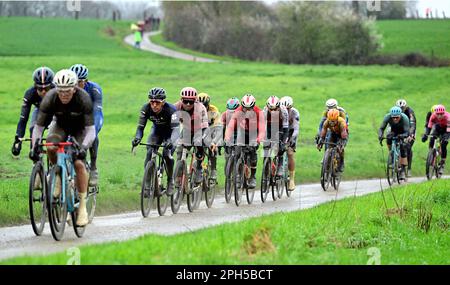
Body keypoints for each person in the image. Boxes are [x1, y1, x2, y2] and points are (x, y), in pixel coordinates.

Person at [30, 69, 95, 227]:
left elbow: (91, 130)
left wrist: (84, 146)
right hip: (60, 126)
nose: (64, 94)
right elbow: (38, 127)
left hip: (80, 129)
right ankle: (57, 176)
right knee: (51, 147)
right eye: (61, 91)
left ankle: (82, 208)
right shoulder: (51, 97)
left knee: (79, 163)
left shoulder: (83, 98)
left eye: (67, 91)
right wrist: (35, 146)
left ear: (74, 88)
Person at [131, 87, 179, 195]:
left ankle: (170, 180)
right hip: (156, 132)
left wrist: (171, 141)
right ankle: (147, 185)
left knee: (167, 154)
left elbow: (176, 130)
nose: (154, 105)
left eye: (157, 102)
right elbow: (140, 128)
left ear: (163, 102)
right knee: (149, 151)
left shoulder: (172, 110)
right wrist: (137, 138)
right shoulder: (145, 108)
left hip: (171, 133)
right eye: (151, 102)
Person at [70, 64, 103, 186]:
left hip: (91, 117)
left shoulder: (94, 90)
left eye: (79, 82)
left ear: (86, 81)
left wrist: (93, 130)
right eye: (73, 82)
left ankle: (93, 168)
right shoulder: (67, 89)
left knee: (92, 135)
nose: (76, 85)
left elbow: (97, 113)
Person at [224, 94, 265, 189]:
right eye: (244, 108)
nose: (246, 110)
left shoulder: (259, 112)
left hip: (254, 133)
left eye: (249, 108)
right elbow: (230, 126)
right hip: (242, 132)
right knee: (237, 151)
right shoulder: (238, 111)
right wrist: (227, 138)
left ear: (253, 106)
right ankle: (238, 174)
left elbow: (262, 129)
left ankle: (253, 176)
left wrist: (258, 140)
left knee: (253, 153)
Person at [12, 67, 54, 156]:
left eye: (47, 88)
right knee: (33, 129)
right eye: (40, 88)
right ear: (35, 86)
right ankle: (36, 161)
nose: (43, 92)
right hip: (39, 111)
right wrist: (18, 140)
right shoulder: (30, 93)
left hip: (56, 112)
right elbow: (23, 119)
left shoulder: (58, 92)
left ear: (52, 86)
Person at [174, 87, 209, 185]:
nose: (188, 104)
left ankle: (198, 168)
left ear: (195, 100)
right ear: (181, 100)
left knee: (199, 144)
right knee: (180, 150)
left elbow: (205, 127)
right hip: (187, 130)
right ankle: (178, 174)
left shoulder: (201, 108)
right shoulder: (176, 106)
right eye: (185, 101)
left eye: (191, 101)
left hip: (199, 129)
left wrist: (202, 139)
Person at [378, 106, 410, 180]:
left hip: (403, 131)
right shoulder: (387, 117)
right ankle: (391, 152)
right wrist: (380, 136)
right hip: (393, 130)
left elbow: (407, 132)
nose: (395, 119)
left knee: (402, 146)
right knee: (388, 138)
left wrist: (402, 136)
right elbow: (381, 128)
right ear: (391, 116)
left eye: (397, 117)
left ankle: (402, 169)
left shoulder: (404, 118)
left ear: (400, 115)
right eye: (393, 117)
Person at [198, 92, 222, 180]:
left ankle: (213, 170)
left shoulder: (213, 110)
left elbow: (218, 124)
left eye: (204, 106)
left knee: (213, 147)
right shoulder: (195, 110)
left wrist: (214, 141)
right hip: (201, 129)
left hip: (212, 129)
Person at [263, 96, 289, 177]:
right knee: (266, 147)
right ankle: (266, 166)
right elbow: (262, 127)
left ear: (278, 107)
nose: (273, 111)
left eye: (275, 109)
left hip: (280, 127)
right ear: (267, 107)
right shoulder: (265, 111)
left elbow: (286, 129)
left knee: (280, 146)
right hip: (269, 126)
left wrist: (284, 142)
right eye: (271, 109)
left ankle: (280, 165)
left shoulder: (283, 111)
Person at [422, 105, 449, 175]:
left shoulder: (447, 117)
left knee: (444, 144)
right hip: (438, 127)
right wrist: (425, 135)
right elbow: (429, 126)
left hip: (447, 129)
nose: (439, 116)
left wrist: (446, 137)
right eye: (438, 114)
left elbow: (448, 130)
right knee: (432, 138)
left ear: (444, 113)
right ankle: (431, 154)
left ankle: (442, 162)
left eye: (441, 114)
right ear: (435, 113)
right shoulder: (433, 116)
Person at [280, 96, 300, 191]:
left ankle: (291, 179)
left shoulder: (294, 113)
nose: (285, 110)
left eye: (288, 109)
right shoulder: (278, 111)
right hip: (281, 130)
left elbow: (296, 129)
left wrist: (291, 139)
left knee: (290, 152)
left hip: (291, 131)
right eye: (284, 108)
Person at [396, 99, 416, 174]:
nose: (401, 110)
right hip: (399, 130)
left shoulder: (410, 112)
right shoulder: (395, 111)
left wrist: (411, 134)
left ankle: (409, 167)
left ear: (406, 107)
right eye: (399, 108)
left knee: (407, 146)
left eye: (402, 108)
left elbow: (413, 124)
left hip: (409, 130)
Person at [221, 97, 240, 167]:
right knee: (227, 157)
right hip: (230, 134)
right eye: (230, 111)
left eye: (234, 112)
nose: (232, 114)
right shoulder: (224, 115)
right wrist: (222, 141)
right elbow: (222, 129)